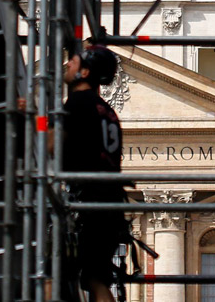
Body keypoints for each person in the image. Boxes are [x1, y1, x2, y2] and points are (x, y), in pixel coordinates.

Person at [61, 44, 127, 302]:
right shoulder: (107, 111)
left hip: (88, 204)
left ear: (85, 72)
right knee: (96, 280)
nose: (67, 65)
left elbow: (49, 145)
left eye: (73, 62)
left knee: (50, 273)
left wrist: (31, 118)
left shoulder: (77, 103)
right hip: (110, 206)